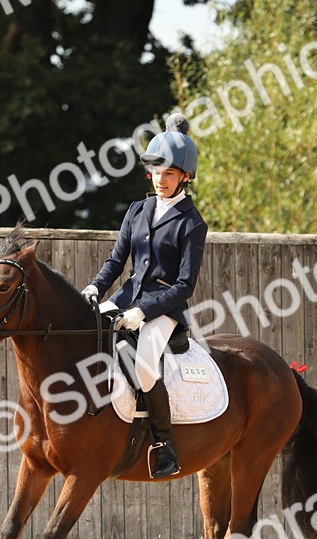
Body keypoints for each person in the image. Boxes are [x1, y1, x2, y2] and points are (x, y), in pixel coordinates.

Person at [81, 112, 207, 479]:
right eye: (156, 171)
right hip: (126, 296)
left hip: (164, 306)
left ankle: (164, 444)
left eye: (169, 173)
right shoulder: (138, 210)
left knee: (144, 368)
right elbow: (117, 259)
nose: (161, 179)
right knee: (88, 335)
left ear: (185, 176)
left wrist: (144, 312)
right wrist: (96, 287)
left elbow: (185, 284)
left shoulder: (192, 222)